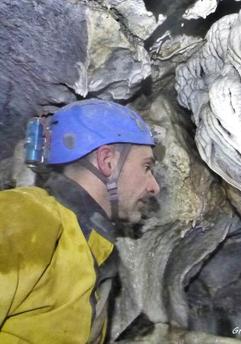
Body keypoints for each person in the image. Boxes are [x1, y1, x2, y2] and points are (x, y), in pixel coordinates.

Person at [0, 99, 160, 343]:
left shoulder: (93, 247)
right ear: (108, 161)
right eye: (146, 166)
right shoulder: (25, 214)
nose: (154, 186)